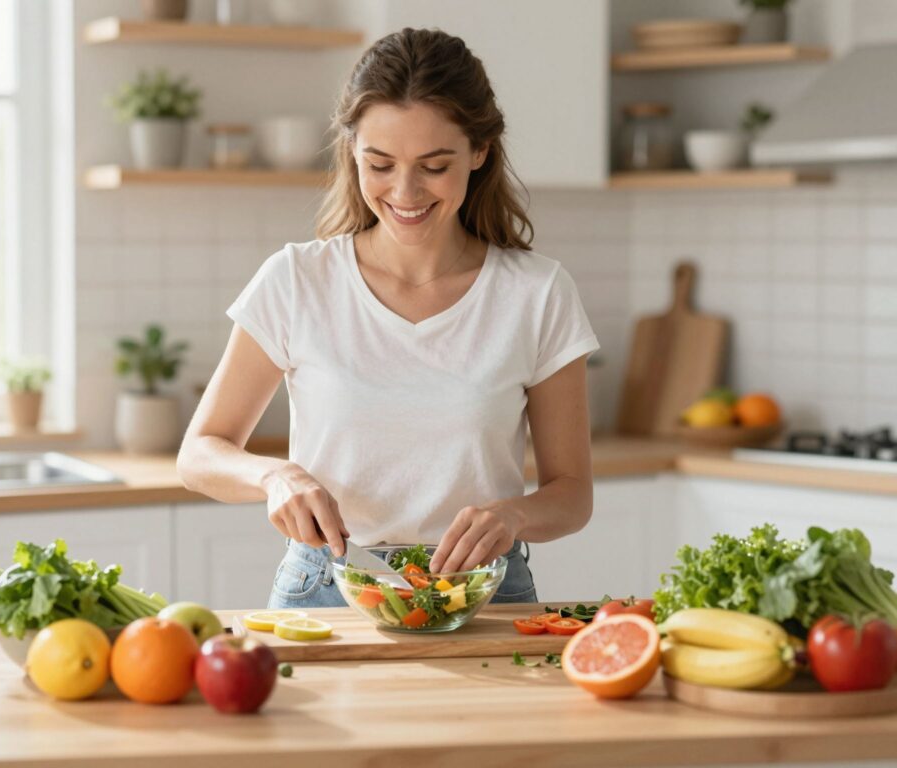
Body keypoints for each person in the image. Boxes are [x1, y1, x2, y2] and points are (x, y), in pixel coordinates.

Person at [177, 28, 599, 609]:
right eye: (380, 163)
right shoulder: (297, 280)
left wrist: (515, 516)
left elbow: (572, 494)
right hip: (329, 588)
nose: (405, 192)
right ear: (353, 150)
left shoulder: (537, 293)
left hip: (482, 594)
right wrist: (275, 478)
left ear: (479, 151)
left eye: (434, 166)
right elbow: (200, 453)